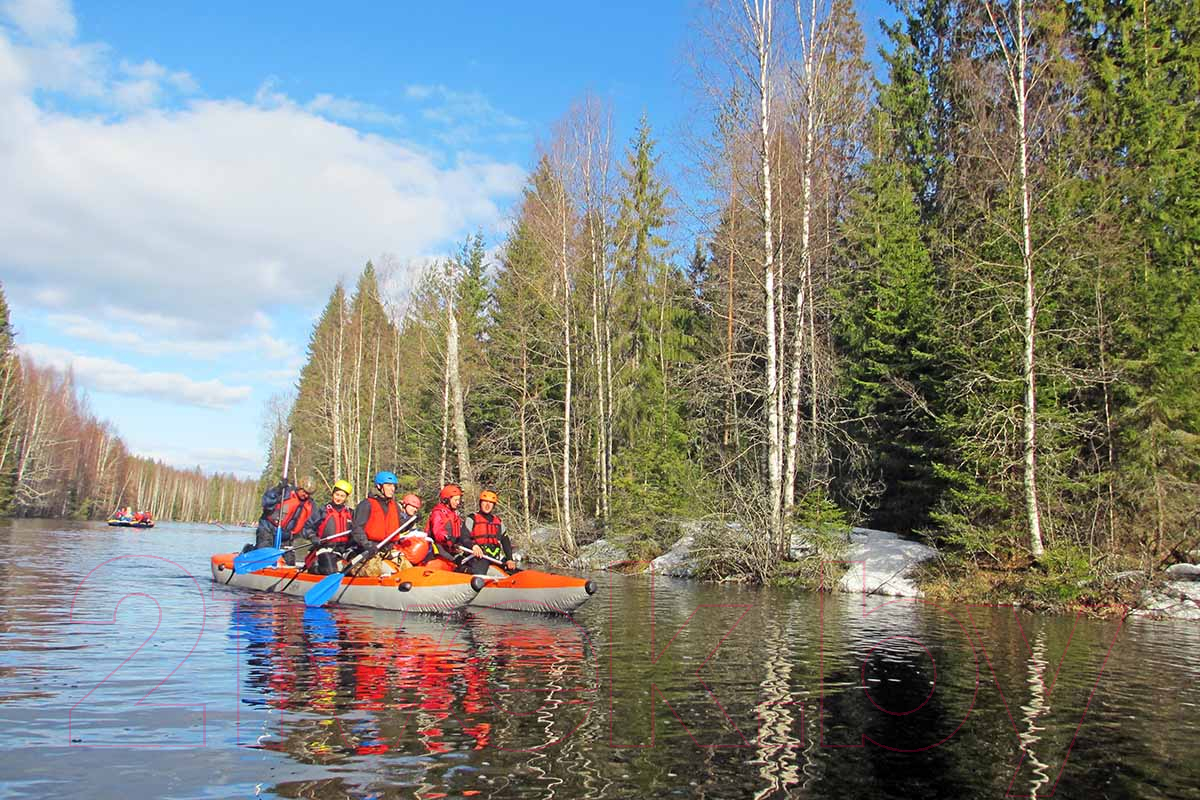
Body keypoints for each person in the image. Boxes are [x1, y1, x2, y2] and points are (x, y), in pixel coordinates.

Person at [349, 471, 410, 577]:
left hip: (387, 549)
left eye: (394, 486)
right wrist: (367, 545)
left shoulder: (394, 506)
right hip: (369, 548)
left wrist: (410, 522)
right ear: (379, 486)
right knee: (373, 571)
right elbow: (357, 529)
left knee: (408, 569)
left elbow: (399, 527)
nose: (393, 489)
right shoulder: (366, 504)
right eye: (389, 485)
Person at [254, 475, 316, 563]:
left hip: (286, 538)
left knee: (290, 562)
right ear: (299, 488)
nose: (306, 495)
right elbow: (266, 503)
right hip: (268, 530)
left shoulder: (310, 505)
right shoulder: (285, 492)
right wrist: (278, 489)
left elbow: (309, 525)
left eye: (309, 494)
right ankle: (250, 551)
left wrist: (312, 536)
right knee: (265, 557)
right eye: (304, 492)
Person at [302, 479, 355, 575]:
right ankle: (313, 568)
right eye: (337, 494)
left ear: (346, 498)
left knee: (356, 567)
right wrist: (312, 536)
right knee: (330, 571)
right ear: (332, 494)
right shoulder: (323, 511)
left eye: (342, 496)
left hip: (343, 550)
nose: (338, 498)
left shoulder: (350, 513)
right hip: (325, 548)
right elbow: (307, 528)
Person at [463, 489, 517, 574]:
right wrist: (473, 546)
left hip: (494, 558)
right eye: (485, 502)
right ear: (480, 503)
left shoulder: (498, 522)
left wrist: (510, 559)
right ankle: (465, 571)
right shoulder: (472, 518)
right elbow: (464, 537)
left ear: (494, 505)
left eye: (491, 503)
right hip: (478, 557)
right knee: (480, 569)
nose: (487, 505)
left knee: (512, 571)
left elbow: (505, 541)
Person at [424, 483, 475, 569]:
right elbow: (438, 532)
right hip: (438, 548)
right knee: (457, 565)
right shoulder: (438, 513)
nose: (458, 503)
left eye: (458, 500)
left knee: (467, 563)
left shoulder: (454, 514)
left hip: (450, 548)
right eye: (455, 500)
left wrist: (460, 542)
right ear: (447, 499)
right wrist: (447, 537)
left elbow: (458, 533)